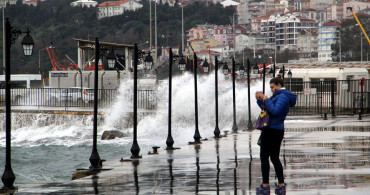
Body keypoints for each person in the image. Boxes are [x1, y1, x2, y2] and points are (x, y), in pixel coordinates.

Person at [255, 75, 297, 194]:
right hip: (274, 130)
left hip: (272, 130)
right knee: (274, 158)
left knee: (265, 157)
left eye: (272, 87)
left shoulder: (282, 96)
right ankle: (281, 185)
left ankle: (266, 186)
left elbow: (275, 111)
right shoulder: (278, 96)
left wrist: (267, 99)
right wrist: (260, 100)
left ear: (279, 85)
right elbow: (267, 109)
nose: (272, 89)